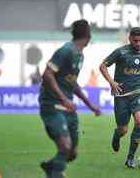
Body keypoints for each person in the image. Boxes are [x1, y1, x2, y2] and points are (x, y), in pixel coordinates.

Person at [39, 19, 101, 178]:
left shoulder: (79, 55)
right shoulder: (66, 50)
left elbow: (71, 82)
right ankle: (55, 174)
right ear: (88, 36)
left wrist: (90, 105)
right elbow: (47, 74)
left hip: (68, 107)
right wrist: (64, 99)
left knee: (72, 153)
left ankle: (51, 167)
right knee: (65, 147)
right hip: (53, 105)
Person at [99, 27, 140, 168]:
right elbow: (103, 66)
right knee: (123, 130)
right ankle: (117, 135)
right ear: (130, 39)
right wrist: (112, 82)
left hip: (138, 94)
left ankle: (130, 158)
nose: (138, 43)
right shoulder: (121, 52)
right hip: (121, 96)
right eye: (135, 40)